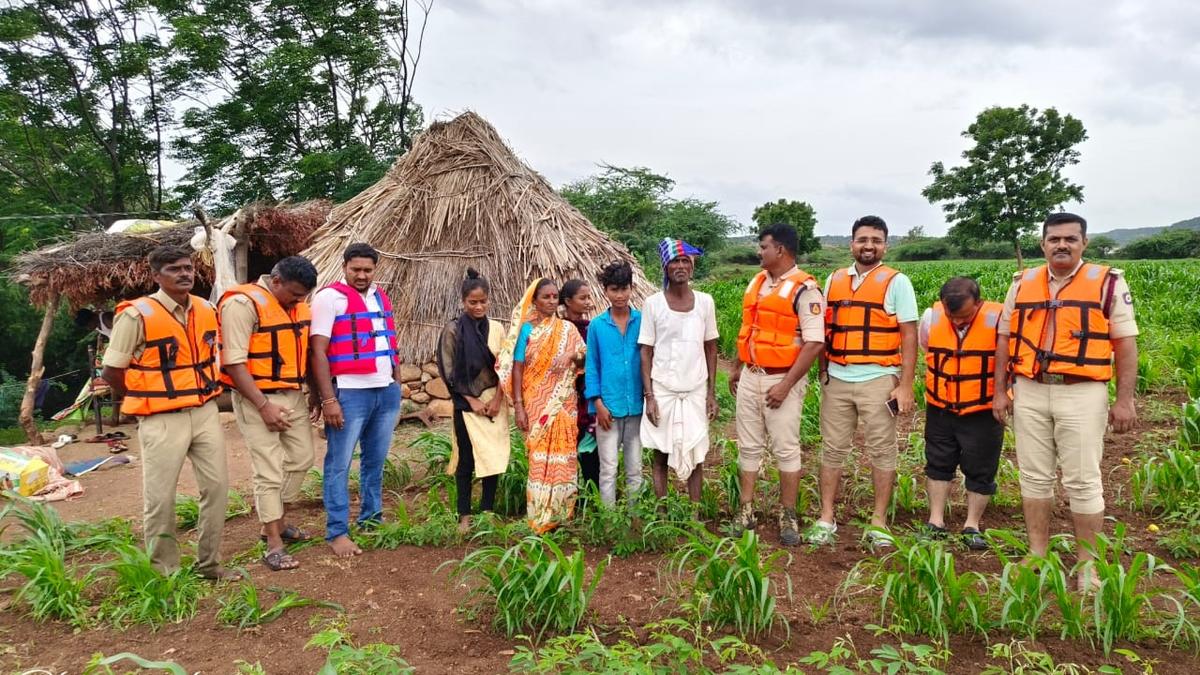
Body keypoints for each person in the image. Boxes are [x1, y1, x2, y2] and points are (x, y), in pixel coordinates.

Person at [993, 212, 1139, 591]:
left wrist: (1124, 400)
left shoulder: (1108, 283)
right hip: (1030, 388)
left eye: (1070, 239)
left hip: (1083, 391)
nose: (1062, 245)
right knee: (1034, 476)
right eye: (1054, 239)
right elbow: (1005, 338)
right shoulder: (1022, 282)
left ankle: (1088, 563)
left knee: (1083, 480)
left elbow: (1125, 344)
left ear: (1083, 243)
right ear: (1042, 244)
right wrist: (999, 391)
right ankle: (1037, 551)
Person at [100, 245, 237, 580]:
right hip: (161, 416)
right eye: (175, 269)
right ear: (156, 275)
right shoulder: (137, 314)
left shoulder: (206, 309)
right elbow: (111, 370)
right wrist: (146, 395)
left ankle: (210, 565)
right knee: (160, 498)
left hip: (204, 410)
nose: (185, 274)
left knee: (218, 489)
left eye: (188, 268)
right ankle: (165, 573)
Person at [811, 215, 918, 550]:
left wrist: (905, 384)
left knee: (882, 450)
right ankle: (826, 516)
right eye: (862, 239)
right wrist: (823, 368)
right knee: (832, 448)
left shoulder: (897, 282)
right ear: (851, 243)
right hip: (837, 378)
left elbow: (909, 335)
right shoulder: (833, 280)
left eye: (875, 240)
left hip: (878, 378)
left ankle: (878, 522)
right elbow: (822, 328)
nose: (868, 246)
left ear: (885, 245)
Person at [218, 256, 319, 571]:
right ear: (276, 281)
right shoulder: (241, 305)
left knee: (302, 458)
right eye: (293, 294)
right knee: (268, 469)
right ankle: (274, 543)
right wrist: (263, 406)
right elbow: (234, 363)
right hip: (256, 397)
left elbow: (306, 352)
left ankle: (273, 522)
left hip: (292, 393)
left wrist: (314, 392)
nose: (298, 301)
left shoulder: (297, 304)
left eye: (303, 296)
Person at [729, 224, 825, 545]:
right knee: (749, 444)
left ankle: (788, 514)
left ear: (780, 250)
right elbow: (750, 327)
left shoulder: (805, 289)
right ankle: (746, 509)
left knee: (786, 447)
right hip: (751, 376)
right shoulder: (757, 282)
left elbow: (814, 343)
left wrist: (785, 385)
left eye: (763, 246)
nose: (759, 252)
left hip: (782, 379)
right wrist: (737, 367)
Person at [309, 242, 404, 557]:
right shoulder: (329, 298)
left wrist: (397, 383)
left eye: (367, 270)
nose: (362, 275)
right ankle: (337, 531)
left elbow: (389, 343)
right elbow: (318, 351)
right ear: (345, 266)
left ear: (375, 269)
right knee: (339, 463)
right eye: (356, 269)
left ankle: (371, 519)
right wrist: (328, 400)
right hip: (349, 392)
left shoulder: (380, 297)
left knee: (374, 462)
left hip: (385, 390)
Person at [918, 277, 1004, 550]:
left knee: (981, 467)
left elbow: (1010, 360)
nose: (956, 322)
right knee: (938, 461)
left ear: (978, 303)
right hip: (941, 405)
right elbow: (927, 348)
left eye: (964, 316)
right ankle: (936, 521)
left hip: (983, 408)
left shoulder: (1000, 318)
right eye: (951, 316)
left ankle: (972, 525)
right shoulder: (931, 318)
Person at [497, 278, 586, 533]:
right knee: (538, 458)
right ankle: (539, 516)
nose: (550, 301)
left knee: (564, 457)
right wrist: (519, 406)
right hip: (535, 404)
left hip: (563, 403)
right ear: (534, 300)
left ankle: (561, 515)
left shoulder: (568, 330)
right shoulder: (526, 331)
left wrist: (571, 355)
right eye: (545, 297)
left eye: (554, 297)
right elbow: (518, 368)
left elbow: (586, 358)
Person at [640, 238, 719, 503]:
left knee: (697, 453)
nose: (681, 266)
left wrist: (711, 394)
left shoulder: (705, 302)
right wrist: (649, 396)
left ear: (693, 267)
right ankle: (662, 514)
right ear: (665, 267)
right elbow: (646, 351)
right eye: (675, 261)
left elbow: (710, 348)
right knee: (661, 452)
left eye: (686, 261)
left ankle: (694, 513)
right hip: (663, 390)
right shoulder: (653, 304)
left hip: (695, 389)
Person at [436, 268, 510, 533]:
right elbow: (448, 372)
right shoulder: (453, 331)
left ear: (489, 299)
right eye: (472, 302)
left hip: (495, 403)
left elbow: (505, 368)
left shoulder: (498, 329)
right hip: (467, 405)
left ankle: (487, 511)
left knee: (494, 456)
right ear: (463, 302)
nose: (478, 307)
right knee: (466, 460)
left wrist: (498, 400)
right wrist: (472, 400)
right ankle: (464, 515)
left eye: (483, 301)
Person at [584, 261, 645, 506]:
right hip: (607, 408)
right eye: (614, 289)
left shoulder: (642, 321)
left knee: (635, 468)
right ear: (605, 291)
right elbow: (592, 366)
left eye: (624, 289)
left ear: (631, 288)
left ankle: (635, 518)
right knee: (608, 468)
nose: (619, 295)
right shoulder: (597, 326)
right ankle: (610, 522)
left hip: (636, 408)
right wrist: (597, 403)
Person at [560, 279, 599, 501]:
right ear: (568, 301)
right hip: (565, 399)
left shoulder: (592, 328)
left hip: (588, 398)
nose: (588, 302)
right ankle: (569, 500)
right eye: (582, 298)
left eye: (588, 297)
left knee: (592, 452)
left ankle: (592, 500)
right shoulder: (558, 331)